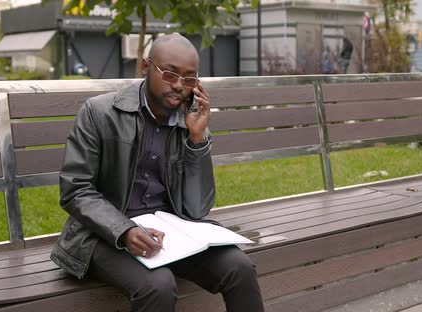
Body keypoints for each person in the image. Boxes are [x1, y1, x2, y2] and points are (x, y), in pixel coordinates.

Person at [50, 33, 264, 312]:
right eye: (169, 74)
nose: (178, 86)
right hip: (102, 234)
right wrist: (124, 229)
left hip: (169, 235)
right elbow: (75, 189)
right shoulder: (99, 112)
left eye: (189, 79)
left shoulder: (191, 123)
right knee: (158, 285)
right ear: (145, 66)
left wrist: (197, 140)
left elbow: (197, 209)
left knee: (240, 267)